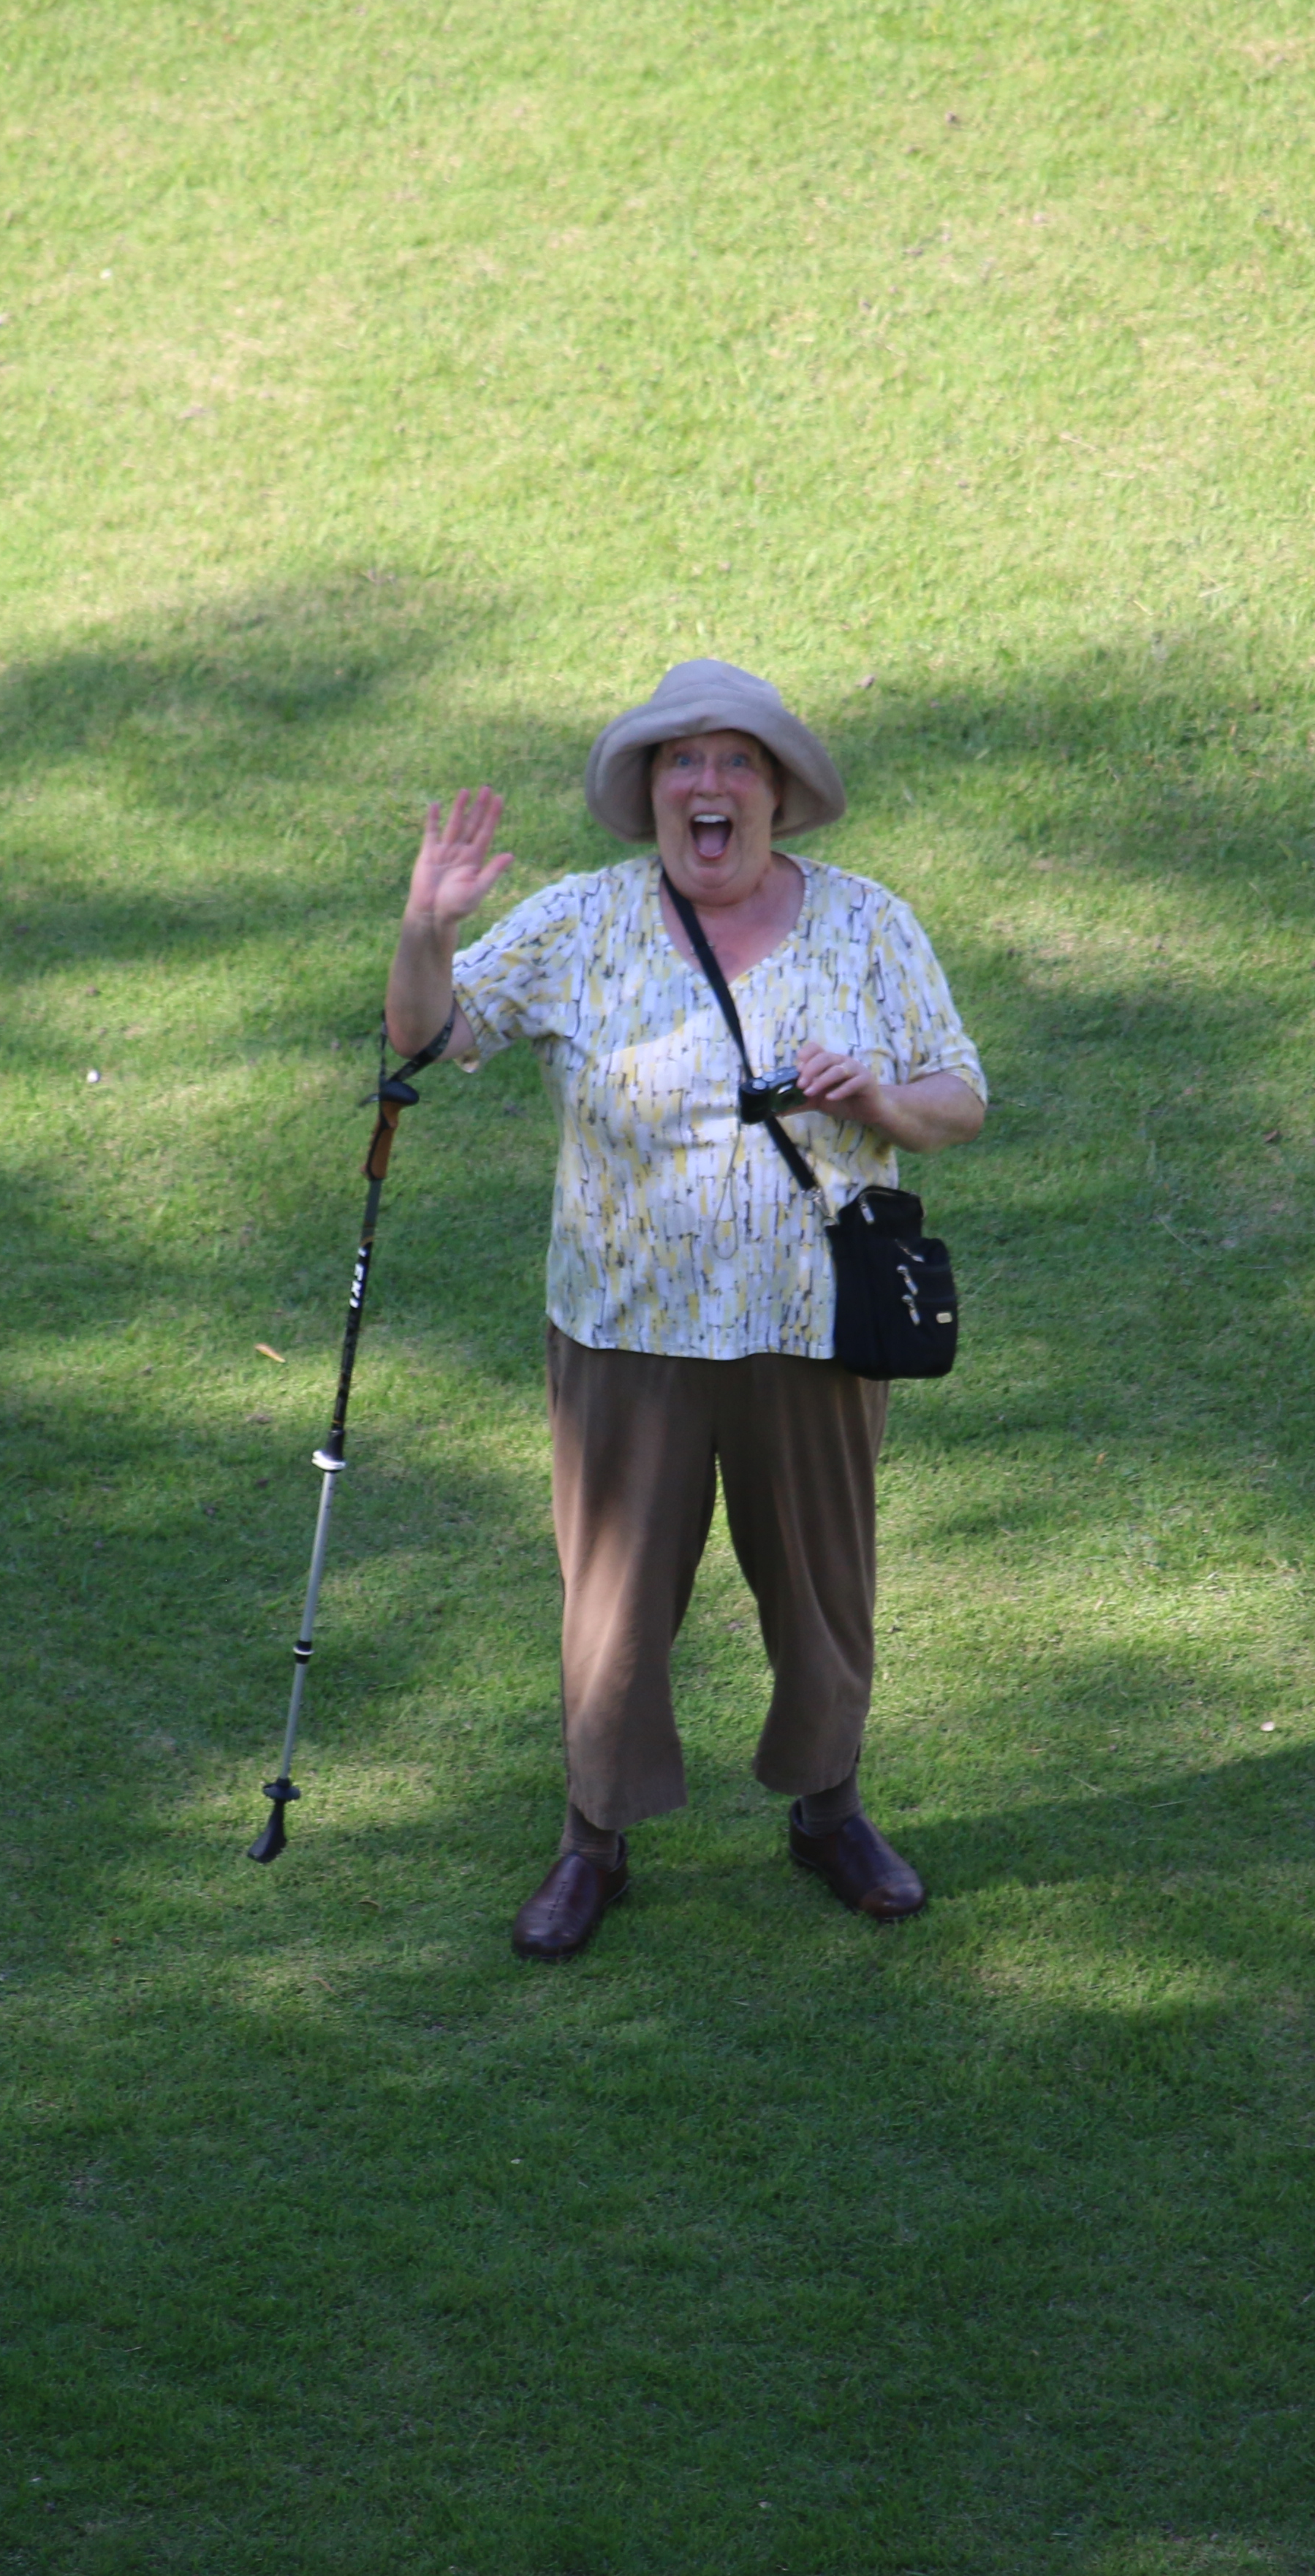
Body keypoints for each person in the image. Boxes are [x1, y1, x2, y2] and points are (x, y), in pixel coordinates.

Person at [384, 658, 988, 1961]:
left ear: (776, 794)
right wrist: (427, 930)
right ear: (650, 793)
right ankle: (591, 1841)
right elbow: (430, 1040)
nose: (706, 784)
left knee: (825, 1590)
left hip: (811, 1329)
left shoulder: (870, 925)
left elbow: (962, 1100)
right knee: (612, 1609)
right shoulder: (581, 922)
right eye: (679, 761)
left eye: (735, 761)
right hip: (623, 1335)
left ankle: (830, 1812)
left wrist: (877, 1098)